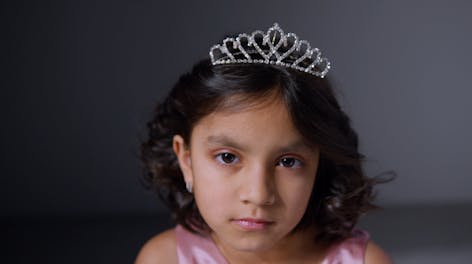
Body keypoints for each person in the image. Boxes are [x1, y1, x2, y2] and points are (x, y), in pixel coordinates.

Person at [136, 23, 392, 264]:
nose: (258, 195)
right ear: (187, 161)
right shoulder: (164, 258)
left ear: (318, 166)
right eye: (227, 157)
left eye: (288, 162)